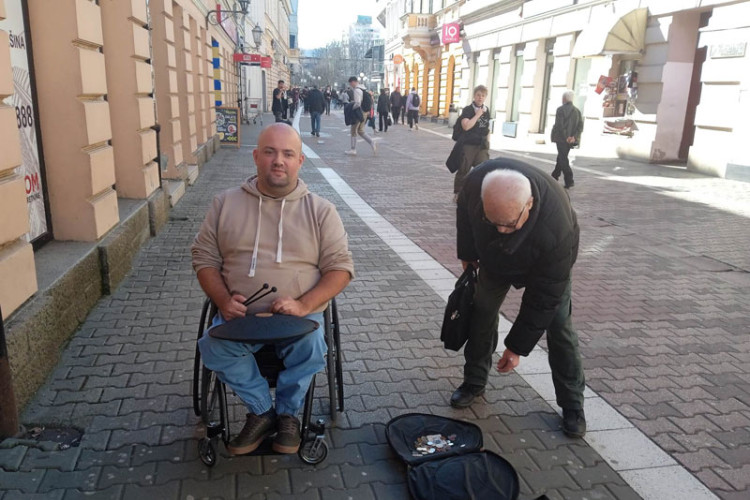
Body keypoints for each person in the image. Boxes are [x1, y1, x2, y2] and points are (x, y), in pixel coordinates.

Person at [192, 123, 354, 455]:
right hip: (241, 318)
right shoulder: (224, 204)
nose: (278, 161)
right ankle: (263, 411)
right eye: (269, 152)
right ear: (256, 157)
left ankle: (288, 415)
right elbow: (204, 258)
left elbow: (341, 269)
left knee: (312, 347)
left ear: (299, 162)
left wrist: (304, 304)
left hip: (298, 320)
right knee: (211, 346)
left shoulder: (321, 211)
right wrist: (222, 300)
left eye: (287, 154)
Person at [452, 160, 586, 439]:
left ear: (529, 204)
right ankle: (474, 381)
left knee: (559, 326)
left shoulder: (558, 226)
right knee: (481, 311)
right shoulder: (475, 183)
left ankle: (572, 403)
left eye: (510, 225)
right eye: (494, 223)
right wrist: (467, 252)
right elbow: (464, 213)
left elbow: (544, 299)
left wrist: (516, 348)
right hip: (495, 259)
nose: (502, 230)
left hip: (546, 264)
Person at [453, 85, 491, 200]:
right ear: (474, 96)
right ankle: (458, 192)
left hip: (481, 144)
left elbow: (487, 128)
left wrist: (488, 143)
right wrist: (477, 115)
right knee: (464, 169)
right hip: (468, 144)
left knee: (483, 169)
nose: (480, 98)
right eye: (478, 95)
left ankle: (478, 193)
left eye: (483, 95)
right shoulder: (468, 110)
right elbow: (466, 126)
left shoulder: (486, 110)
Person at [550, 90, 583, 189]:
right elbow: (580, 126)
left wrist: (566, 137)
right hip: (571, 140)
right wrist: (574, 137)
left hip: (561, 139)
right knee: (561, 156)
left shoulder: (560, 109)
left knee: (563, 158)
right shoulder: (577, 111)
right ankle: (555, 176)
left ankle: (569, 180)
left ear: (564, 99)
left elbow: (559, 126)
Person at [344, 76, 377, 156]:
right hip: (365, 112)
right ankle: (371, 142)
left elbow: (358, 103)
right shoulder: (363, 89)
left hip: (359, 113)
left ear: (353, 82)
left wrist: (352, 107)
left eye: (351, 83)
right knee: (361, 131)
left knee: (353, 130)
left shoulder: (357, 90)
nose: (351, 85)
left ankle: (353, 149)